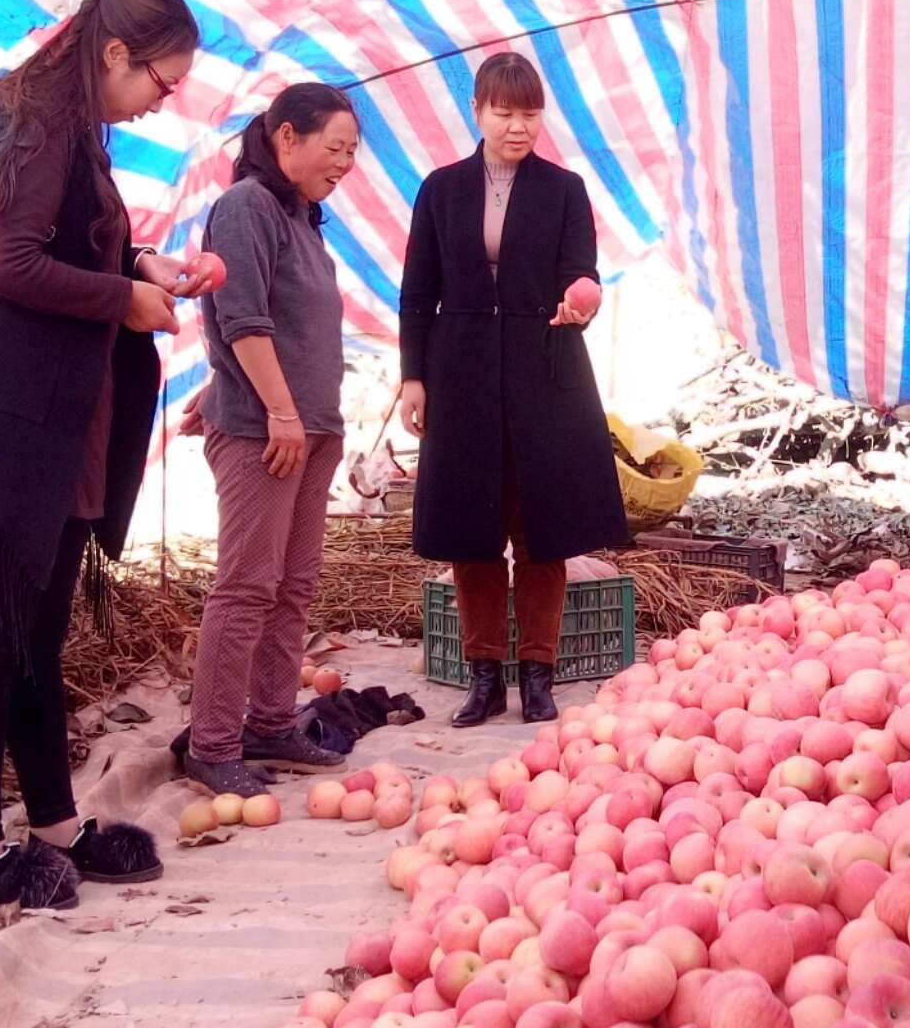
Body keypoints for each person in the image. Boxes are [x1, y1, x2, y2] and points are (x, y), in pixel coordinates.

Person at [0, 0, 209, 909]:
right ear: (116, 53)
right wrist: (123, 298)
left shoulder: (72, 124)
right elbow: (8, 263)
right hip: (5, 419)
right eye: (162, 82)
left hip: (57, 416)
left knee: (39, 633)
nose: (165, 104)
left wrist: (140, 264)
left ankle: (51, 822)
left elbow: (63, 245)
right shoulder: (30, 118)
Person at [399, 50, 631, 727]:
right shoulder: (441, 189)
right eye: (504, 113)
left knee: (542, 530)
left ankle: (537, 674)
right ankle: (482, 677)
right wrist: (414, 375)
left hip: (545, 367)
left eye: (530, 115)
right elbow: (419, 291)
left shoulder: (564, 189)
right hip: (460, 368)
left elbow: (580, 274)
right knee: (471, 530)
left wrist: (580, 304)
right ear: (477, 111)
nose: (518, 127)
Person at [179, 83, 362, 792]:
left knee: (292, 586)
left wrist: (223, 383)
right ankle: (214, 742)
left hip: (310, 428)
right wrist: (276, 411)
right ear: (286, 138)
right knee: (247, 587)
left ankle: (273, 723)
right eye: (335, 147)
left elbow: (283, 326)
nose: (345, 164)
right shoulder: (246, 205)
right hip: (268, 433)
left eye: (352, 153)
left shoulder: (301, 217)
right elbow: (242, 319)